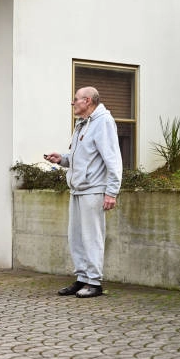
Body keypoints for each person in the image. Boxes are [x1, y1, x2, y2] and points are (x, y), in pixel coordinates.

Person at [45, 86, 122, 298]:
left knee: (92, 237)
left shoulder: (103, 122)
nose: (73, 103)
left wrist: (111, 192)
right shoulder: (81, 124)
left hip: (94, 190)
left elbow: (113, 160)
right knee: (76, 237)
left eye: (76, 99)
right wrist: (61, 159)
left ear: (87, 101)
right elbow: (80, 158)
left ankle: (94, 282)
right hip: (77, 190)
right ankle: (82, 279)